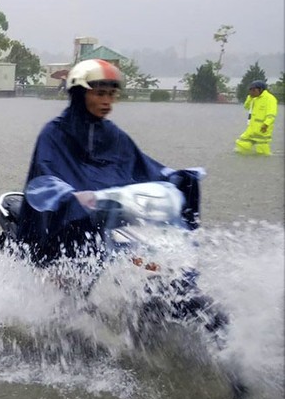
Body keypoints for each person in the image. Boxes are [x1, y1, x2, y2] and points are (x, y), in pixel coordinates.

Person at [15, 59, 203, 264]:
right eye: (100, 94)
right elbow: (45, 175)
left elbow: (142, 167)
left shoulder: (114, 135)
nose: (107, 101)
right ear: (80, 94)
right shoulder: (54, 133)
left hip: (106, 221)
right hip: (63, 226)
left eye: (111, 95)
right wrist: (71, 197)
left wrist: (177, 178)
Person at [234, 80, 278, 156]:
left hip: (263, 129)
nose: (251, 92)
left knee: (262, 152)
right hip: (252, 128)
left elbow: (271, 114)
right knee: (241, 143)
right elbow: (246, 107)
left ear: (260, 89)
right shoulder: (254, 98)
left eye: (253, 90)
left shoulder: (270, 99)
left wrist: (266, 124)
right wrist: (250, 98)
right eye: (250, 90)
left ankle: (264, 163)